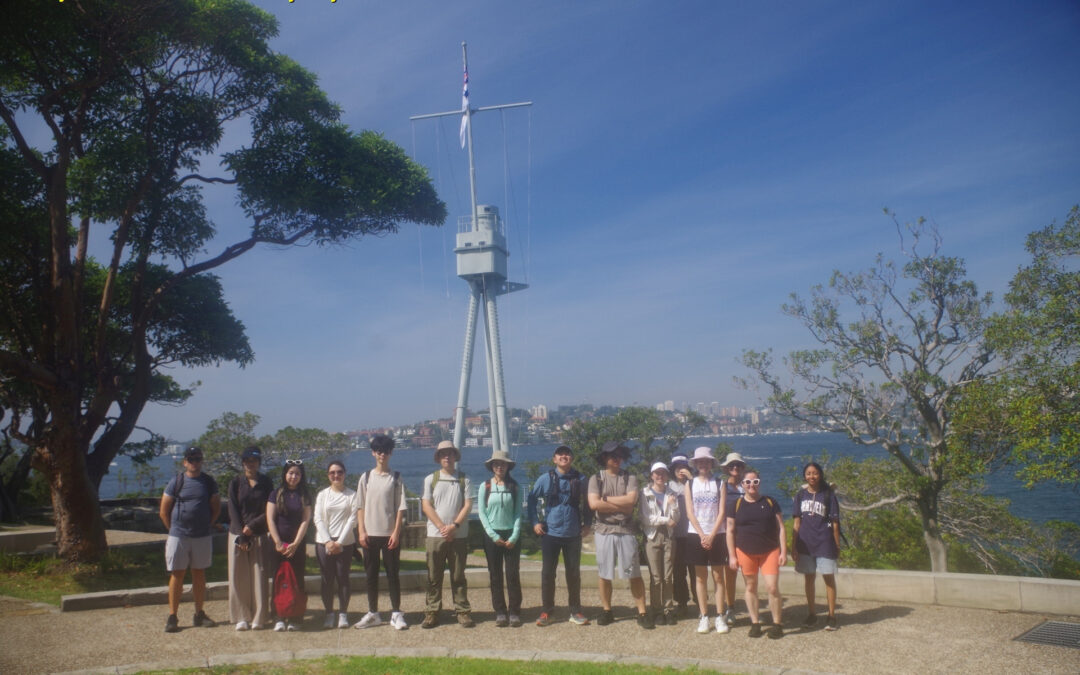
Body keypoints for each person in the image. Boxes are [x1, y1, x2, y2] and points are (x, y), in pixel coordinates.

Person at [588, 440, 652, 629]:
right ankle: (607, 610)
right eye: (612, 455)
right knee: (604, 572)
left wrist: (605, 499)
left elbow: (631, 501)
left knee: (634, 572)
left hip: (626, 528)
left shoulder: (629, 477)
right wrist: (619, 503)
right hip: (604, 529)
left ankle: (642, 611)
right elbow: (593, 504)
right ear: (605, 458)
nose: (616, 459)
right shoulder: (596, 478)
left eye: (619, 455)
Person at [526, 444, 592, 626]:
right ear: (554, 459)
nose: (564, 456)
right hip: (551, 533)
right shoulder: (545, 479)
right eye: (560, 454)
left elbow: (588, 502)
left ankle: (575, 610)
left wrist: (588, 523)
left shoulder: (581, 479)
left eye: (567, 454)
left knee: (574, 574)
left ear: (572, 458)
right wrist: (535, 522)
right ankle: (547, 611)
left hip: (573, 533)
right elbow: (531, 499)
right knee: (547, 573)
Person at [160, 445, 221, 633]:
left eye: (198, 459)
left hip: (201, 535)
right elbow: (164, 511)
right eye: (191, 459)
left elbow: (216, 507)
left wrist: (208, 524)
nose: (195, 462)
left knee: (199, 574)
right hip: (179, 535)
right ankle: (172, 615)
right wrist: (174, 530)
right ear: (185, 462)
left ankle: (199, 613)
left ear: (202, 461)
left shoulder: (209, 482)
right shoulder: (176, 482)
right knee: (177, 574)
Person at [354, 434, 409, 630]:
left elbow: (400, 507)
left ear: (391, 453)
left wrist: (396, 532)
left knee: (392, 573)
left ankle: (396, 613)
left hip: (389, 535)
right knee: (371, 574)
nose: (382, 455)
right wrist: (361, 531)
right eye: (378, 451)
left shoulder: (396, 478)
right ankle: (373, 613)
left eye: (385, 451)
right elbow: (359, 505)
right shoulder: (366, 477)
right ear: (373, 453)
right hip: (369, 534)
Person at [726, 469, 787, 639]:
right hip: (745, 551)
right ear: (742, 485)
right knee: (750, 587)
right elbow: (730, 531)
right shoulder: (735, 505)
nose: (751, 485)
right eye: (747, 482)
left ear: (759, 483)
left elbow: (781, 527)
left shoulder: (770, 502)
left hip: (770, 550)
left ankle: (777, 623)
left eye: (755, 482)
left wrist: (784, 551)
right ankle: (755, 623)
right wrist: (732, 555)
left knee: (772, 587)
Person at [421, 440, 474, 628]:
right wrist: (443, 527)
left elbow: (468, 505)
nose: (447, 456)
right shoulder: (430, 479)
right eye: (443, 453)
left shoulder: (464, 479)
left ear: (455, 456)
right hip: (435, 535)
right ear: (438, 457)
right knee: (433, 576)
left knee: (458, 576)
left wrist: (454, 526)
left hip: (458, 536)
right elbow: (426, 505)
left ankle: (462, 611)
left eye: (450, 453)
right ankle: (432, 612)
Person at [683, 446, 730, 635]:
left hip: (717, 534)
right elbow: (689, 512)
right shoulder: (689, 484)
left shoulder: (720, 483)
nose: (703, 464)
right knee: (700, 577)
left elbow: (722, 512)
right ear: (695, 464)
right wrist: (702, 534)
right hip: (695, 534)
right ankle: (704, 616)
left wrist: (711, 534)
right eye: (699, 461)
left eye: (706, 461)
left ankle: (719, 615)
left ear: (711, 463)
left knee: (719, 577)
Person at [227, 445, 274, 631]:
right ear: (243, 462)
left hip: (259, 533)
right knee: (238, 577)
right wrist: (241, 533)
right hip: (238, 535)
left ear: (259, 462)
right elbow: (232, 508)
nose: (250, 464)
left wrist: (251, 527)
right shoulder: (236, 482)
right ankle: (241, 616)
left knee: (259, 575)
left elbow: (269, 510)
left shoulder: (266, 482)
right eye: (247, 460)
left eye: (254, 460)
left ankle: (259, 616)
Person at [792, 461, 841, 631]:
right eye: (808, 473)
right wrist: (793, 546)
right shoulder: (800, 495)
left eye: (815, 473)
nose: (812, 476)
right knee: (809, 578)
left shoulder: (828, 495)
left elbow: (835, 523)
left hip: (825, 542)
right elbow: (796, 523)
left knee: (829, 578)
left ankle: (831, 615)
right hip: (805, 543)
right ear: (805, 476)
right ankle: (812, 613)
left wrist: (836, 544)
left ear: (820, 475)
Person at [477, 449, 523, 627]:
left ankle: (514, 611)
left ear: (507, 466)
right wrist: (493, 535)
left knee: (512, 575)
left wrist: (515, 535)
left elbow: (518, 512)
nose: (499, 467)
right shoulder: (485, 486)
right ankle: (500, 611)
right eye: (496, 464)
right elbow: (482, 513)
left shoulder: (515, 486)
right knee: (495, 575)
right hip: (492, 536)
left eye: (503, 464)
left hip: (511, 534)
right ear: (492, 467)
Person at [267, 459, 313, 632]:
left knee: (297, 580)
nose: (294, 477)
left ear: (301, 476)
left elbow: (305, 520)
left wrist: (295, 543)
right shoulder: (275, 493)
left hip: (297, 545)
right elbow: (270, 518)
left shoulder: (305, 496)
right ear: (285, 474)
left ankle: (296, 616)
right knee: (278, 580)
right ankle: (278, 616)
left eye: (297, 473)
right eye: (291, 473)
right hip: (278, 544)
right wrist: (278, 541)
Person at [314, 460, 357, 629]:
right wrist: (328, 541)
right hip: (324, 543)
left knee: (343, 578)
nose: (336, 475)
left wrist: (339, 542)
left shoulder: (352, 495)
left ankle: (343, 614)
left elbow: (353, 520)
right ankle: (329, 613)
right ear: (328, 475)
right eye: (332, 472)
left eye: (339, 472)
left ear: (344, 473)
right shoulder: (322, 495)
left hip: (344, 543)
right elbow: (317, 518)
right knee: (327, 580)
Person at [639, 461, 681, 625]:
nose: (660, 476)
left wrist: (673, 507)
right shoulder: (645, 493)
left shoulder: (671, 493)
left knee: (668, 576)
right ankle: (656, 610)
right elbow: (645, 518)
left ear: (666, 475)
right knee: (656, 577)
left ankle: (668, 609)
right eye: (657, 473)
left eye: (663, 473)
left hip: (669, 536)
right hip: (652, 536)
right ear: (652, 475)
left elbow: (676, 518)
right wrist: (665, 519)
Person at [719, 451, 747, 627]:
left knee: (748, 573)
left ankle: (751, 607)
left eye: (738, 465)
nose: (735, 468)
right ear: (727, 469)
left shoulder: (748, 485)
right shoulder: (722, 487)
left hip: (746, 535)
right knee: (729, 573)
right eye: (732, 465)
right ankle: (730, 607)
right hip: (727, 535)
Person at [668, 454, 698, 617]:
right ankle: (681, 602)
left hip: (693, 535)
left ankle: (700, 600)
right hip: (676, 536)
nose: (681, 470)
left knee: (696, 571)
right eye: (678, 467)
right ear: (672, 470)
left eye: (684, 467)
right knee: (679, 572)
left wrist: (691, 480)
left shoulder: (695, 484)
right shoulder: (668, 487)